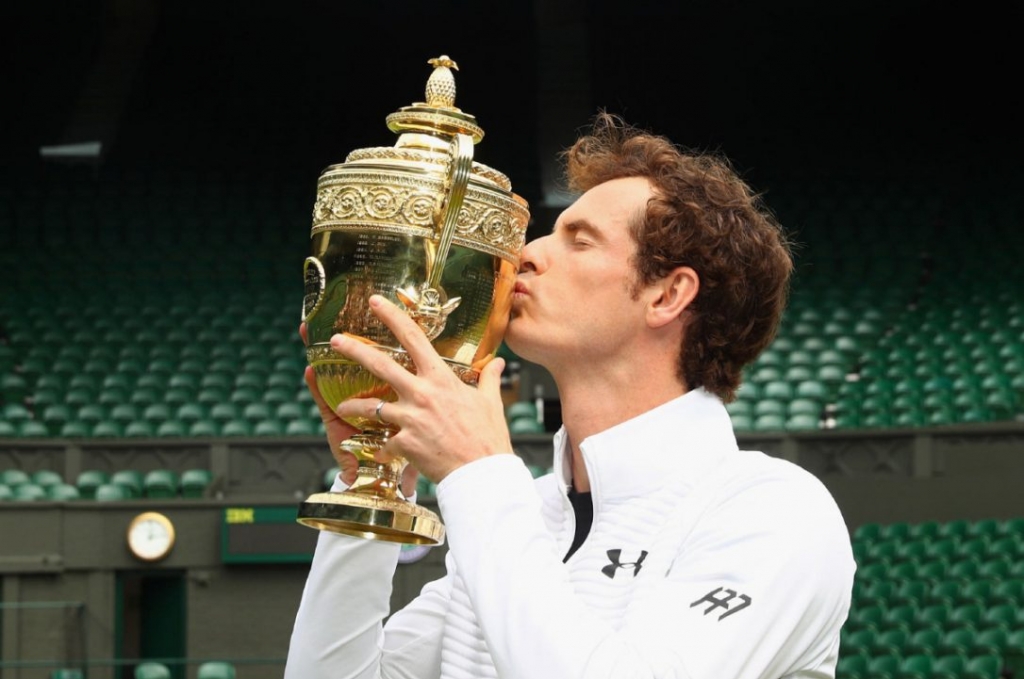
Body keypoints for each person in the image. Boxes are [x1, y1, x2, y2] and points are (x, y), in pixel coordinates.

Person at [285, 113, 855, 679]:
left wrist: (478, 471)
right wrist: (369, 486)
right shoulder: (524, 514)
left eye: (579, 241)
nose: (527, 254)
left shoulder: (774, 511)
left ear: (667, 295)